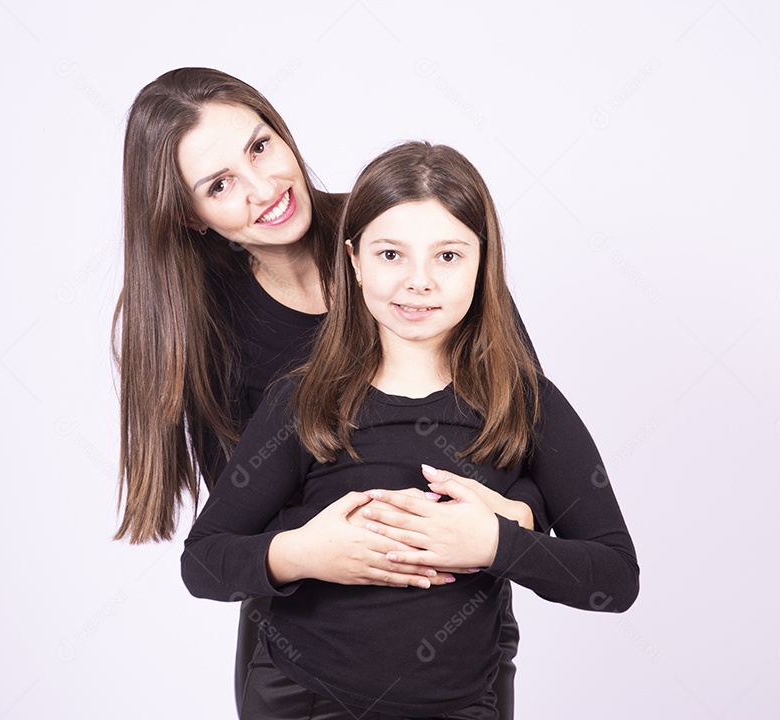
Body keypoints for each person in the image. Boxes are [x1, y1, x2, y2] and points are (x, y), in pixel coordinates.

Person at [114, 68, 543, 717]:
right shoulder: (205, 331)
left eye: (260, 147)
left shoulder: (403, 235)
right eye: (220, 184)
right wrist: (315, 547)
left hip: (458, 657)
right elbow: (224, 548)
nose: (264, 188)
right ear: (190, 216)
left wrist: (514, 518)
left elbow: (528, 446)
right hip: (301, 675)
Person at [182, 141, 639, 719]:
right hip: (303, 697)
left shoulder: (526, 402)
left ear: (484, 260)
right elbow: (202, 561)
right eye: (390, 254)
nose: (418, 282)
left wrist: (499, 544)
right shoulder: (302, 400)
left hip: (462, 702)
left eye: (447, 256)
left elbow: (616, 577)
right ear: (352, 260)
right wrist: (303, 553)